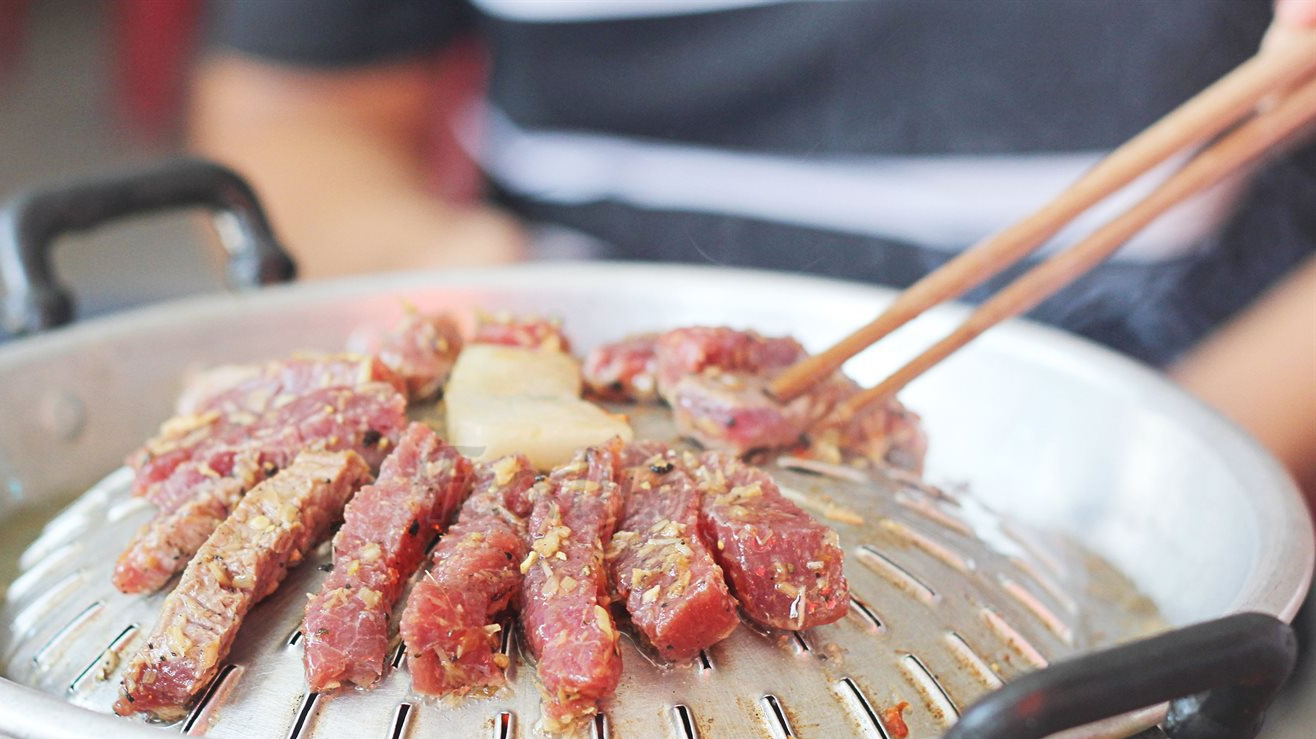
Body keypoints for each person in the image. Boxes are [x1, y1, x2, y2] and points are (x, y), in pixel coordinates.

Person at [189, 0, 1316, 505]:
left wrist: (1143, 483)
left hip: (1159, 396)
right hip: (580, 339)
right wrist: (458, 292)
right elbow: (297, 113)